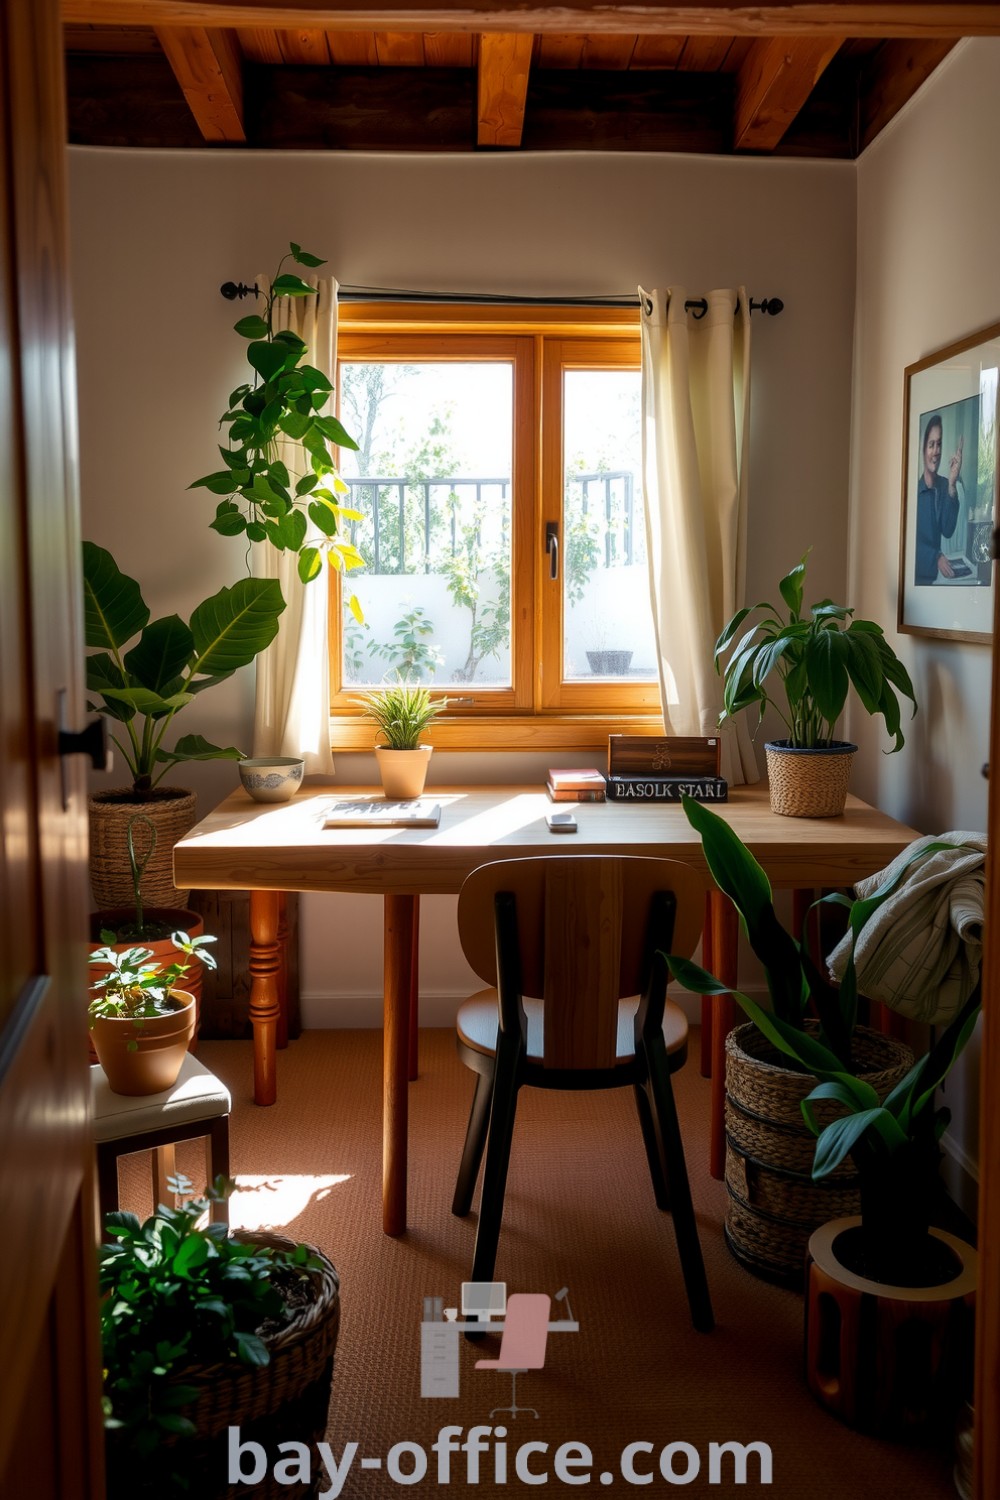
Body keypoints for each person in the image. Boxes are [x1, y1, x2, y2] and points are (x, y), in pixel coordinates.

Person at [914, 413, 963, 584]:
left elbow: (948, 530)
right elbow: (911, 544)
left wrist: (951, 484)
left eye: (939, 444)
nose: (936, 451)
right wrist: (936, 557)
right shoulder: (915, 491)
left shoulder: (943, 484)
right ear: (923, 450)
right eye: (931, 445)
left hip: (939, 579)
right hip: (921, 579)